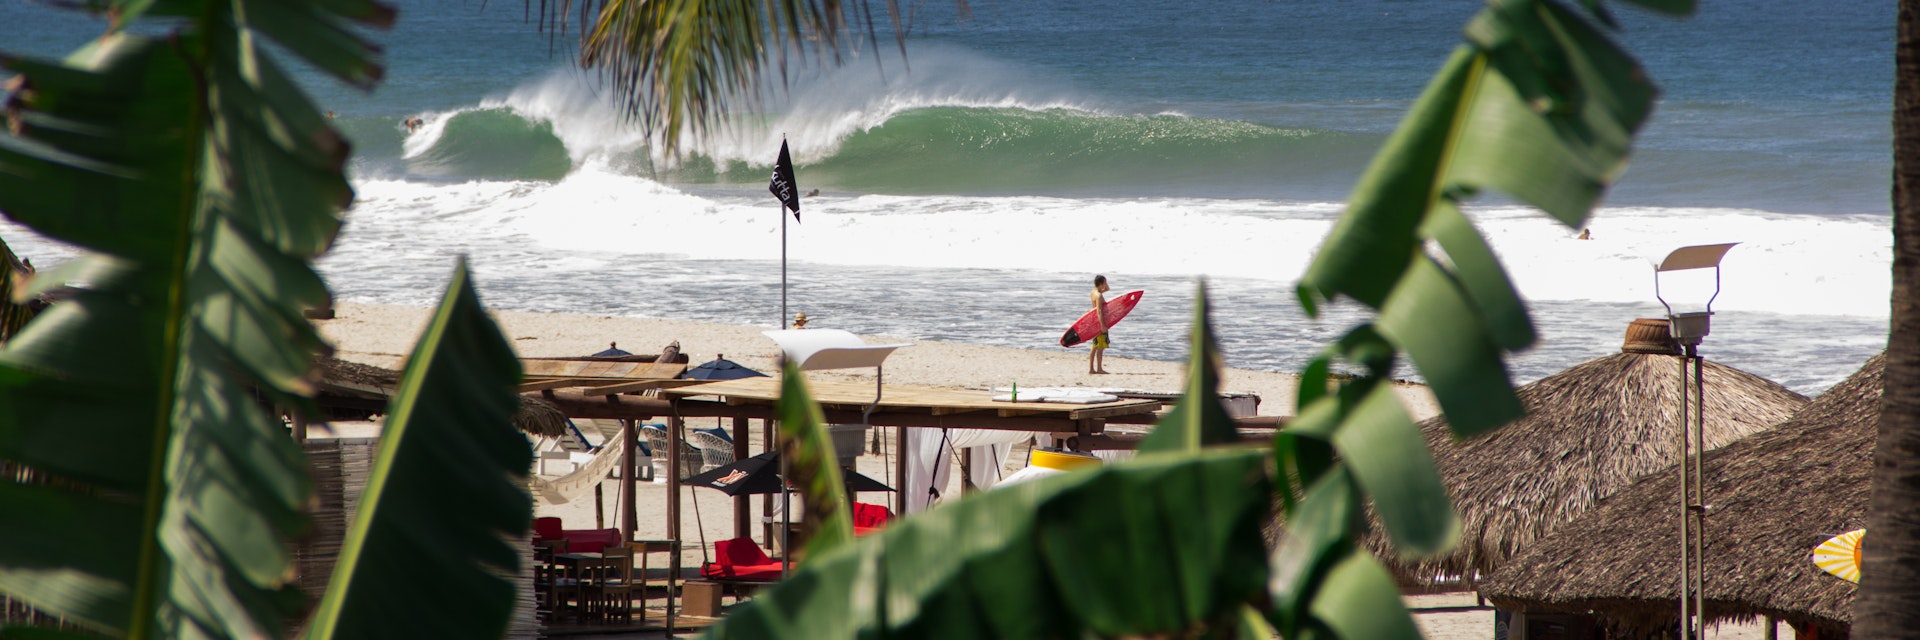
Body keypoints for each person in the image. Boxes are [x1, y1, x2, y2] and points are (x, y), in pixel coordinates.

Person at [1088, 275, 1111, 374]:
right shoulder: (1099, 295)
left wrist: (1104, 284)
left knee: (1094, 346)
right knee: (1100, 348)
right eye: (1105, 282)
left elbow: (1108, 289)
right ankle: (1099, 369)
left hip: (1094, 322)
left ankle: (1091, 369)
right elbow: (1099, 311)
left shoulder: (1093, 292)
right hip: (1099, 322)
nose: (1106, 284)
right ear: (1101, 283)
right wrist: (1102, 325)